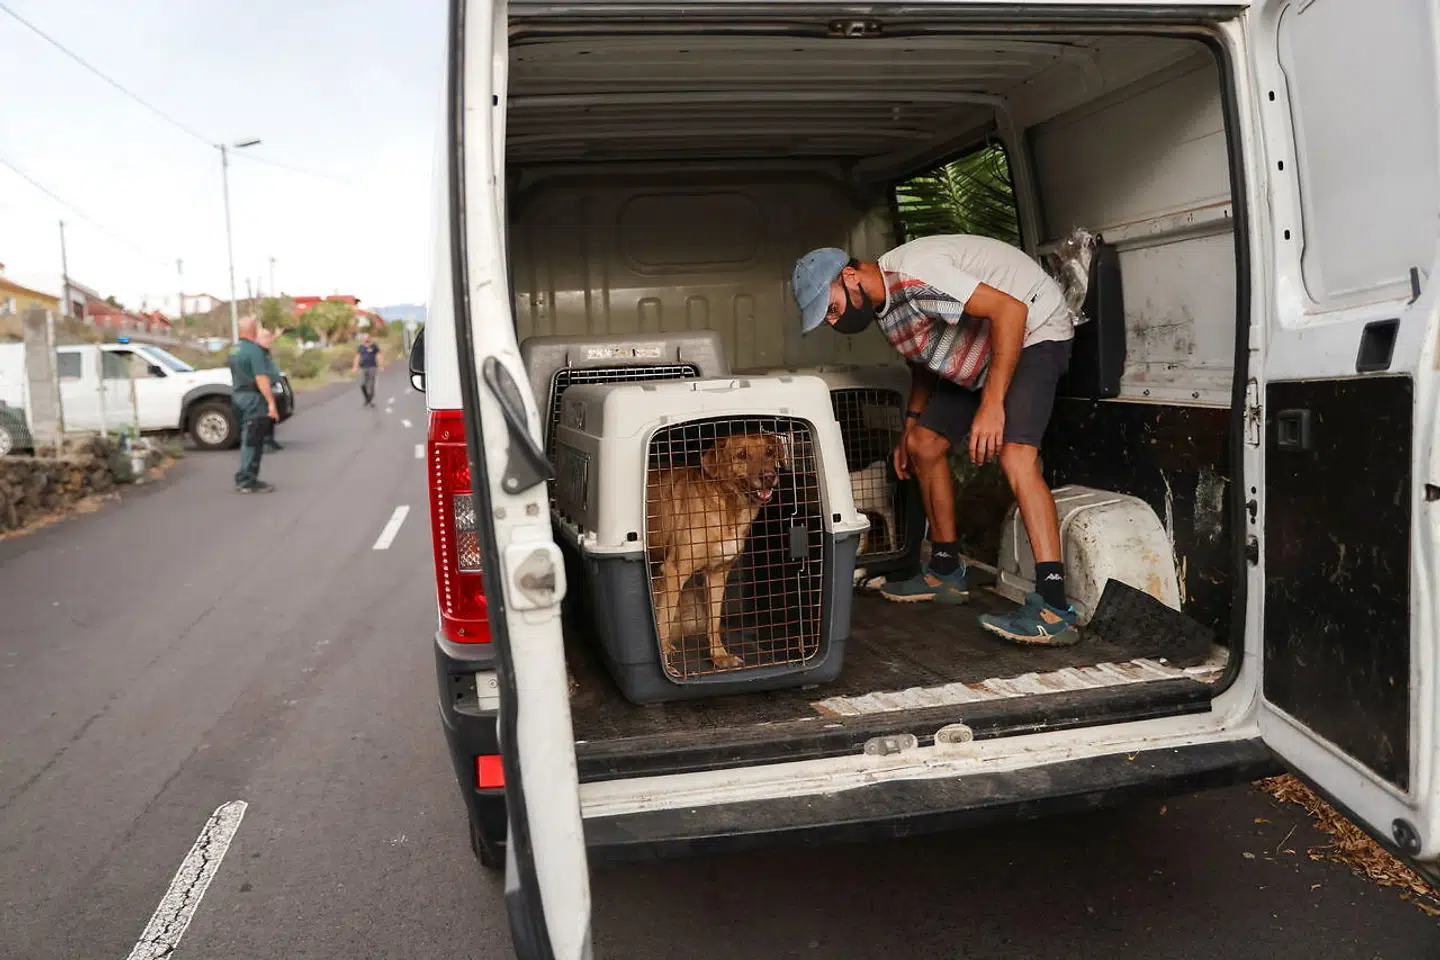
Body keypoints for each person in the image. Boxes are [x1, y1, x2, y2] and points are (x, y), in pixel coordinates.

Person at [791, 234, 1079, 645]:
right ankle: (945, 573)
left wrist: (992, 405)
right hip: (984, 346)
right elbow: (925, 360)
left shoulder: (917, 274)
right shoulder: (885, 306)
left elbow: (1009, 310)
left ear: (850, 275)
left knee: (1016, 456)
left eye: (832, 309)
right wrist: (911, 422)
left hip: (1034, 327)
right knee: (924, 445)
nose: (834, 322)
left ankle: (1054, 607)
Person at [229, 316, 279, 493]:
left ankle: (245, 477)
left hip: (238, 396)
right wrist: (271, 403)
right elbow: (261, 378)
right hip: (253, 398)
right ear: (252, 330)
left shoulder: (234, 349)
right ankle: (246, 480)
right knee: (253, 440)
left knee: (246, 436)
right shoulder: (254, 351)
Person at [257, 324, 284, 452]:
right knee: (265, 413)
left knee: (273, 413)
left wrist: (276, 335)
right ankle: (265, 441)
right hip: (262, 387)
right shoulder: (257, 352)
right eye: (265, 337)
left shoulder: (265, 350)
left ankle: (270, 439)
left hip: (272, 385)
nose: (269, 339)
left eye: (269, 337)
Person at [352, 330, 383, 406]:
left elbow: (379, 355)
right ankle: (367, 398)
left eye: (367, 337)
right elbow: (357, 357)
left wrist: (381, 365)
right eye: (364, 338)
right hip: (363, 368)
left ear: (370, 338)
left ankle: (370, 399)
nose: (366, 339)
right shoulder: (361, 347)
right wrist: (355, 367)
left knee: (371, 385)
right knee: (362, 384)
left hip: (372, 367)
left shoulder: (374, 346)